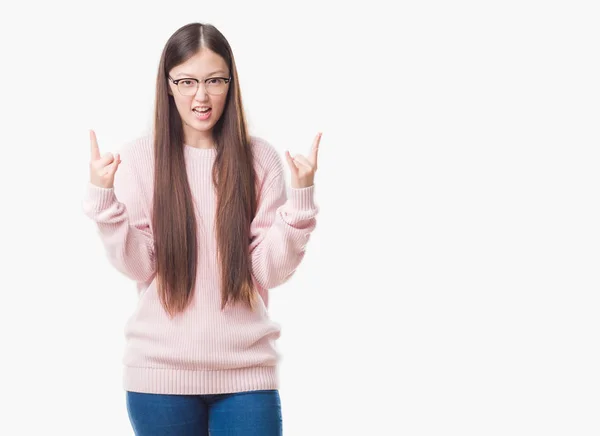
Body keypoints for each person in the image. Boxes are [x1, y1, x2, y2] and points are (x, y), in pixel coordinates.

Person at [82, 22, 321, 436]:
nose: (201, 95)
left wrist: (300, 203)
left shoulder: (259, 159)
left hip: (247, 374)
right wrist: (106, 204)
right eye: (188, 81)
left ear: (230, 83)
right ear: (168, 85)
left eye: (214, 80)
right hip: (160, 376)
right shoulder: (141, 159)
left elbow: (268, 271)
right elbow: (140, 266)